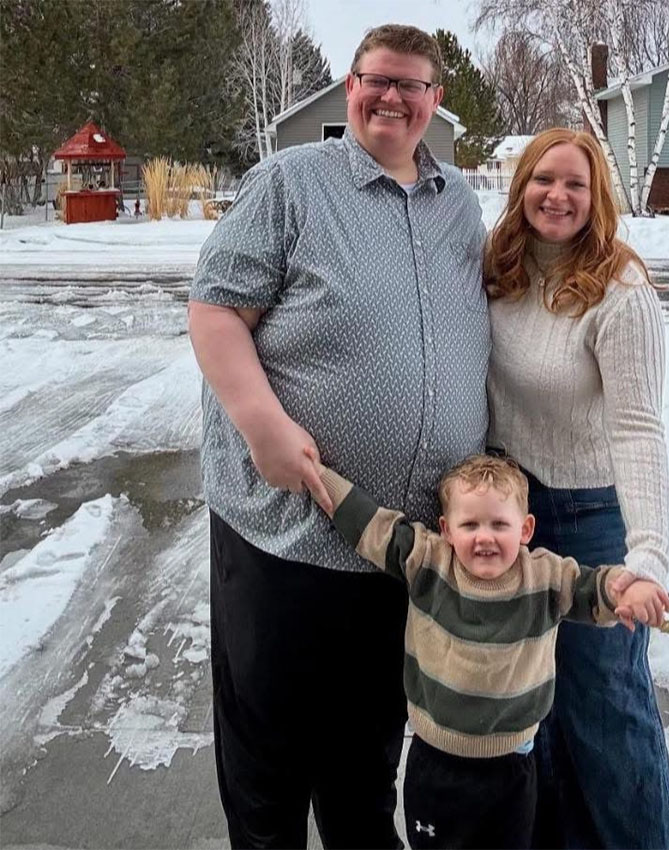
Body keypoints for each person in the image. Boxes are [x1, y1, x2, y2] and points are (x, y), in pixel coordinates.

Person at [187, 24, 490, 849]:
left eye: (410, 84)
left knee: (363, 763)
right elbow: (215, 310)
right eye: (375, 80)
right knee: (271, 768)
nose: (391, 97)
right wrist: (263, 426)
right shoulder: (291, 183)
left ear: (435, 100)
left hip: (398, 548)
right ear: (351, 88)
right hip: (287, 537)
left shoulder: (458, 204)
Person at [484, 128, 669, 849]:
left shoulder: (620, 291)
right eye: (544, 179)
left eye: (576, 183)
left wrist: (647, 558)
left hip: (589, 514)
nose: (558, 196)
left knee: (608, 712)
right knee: (533, 710)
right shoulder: (499, 269)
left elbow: (638, 429)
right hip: (515, 517)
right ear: (522, 188)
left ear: (598, 196)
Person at [308, 453, 669, 850]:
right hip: (438, 766)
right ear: (446, 529)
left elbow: (592, 588)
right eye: (470, 525)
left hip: (512, 771)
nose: (485, 537)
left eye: (499, 524)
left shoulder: (545, 578)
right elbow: (373, 527)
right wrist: (316, 475)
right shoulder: (429, 563)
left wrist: (627, 589)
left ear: (526, 528)